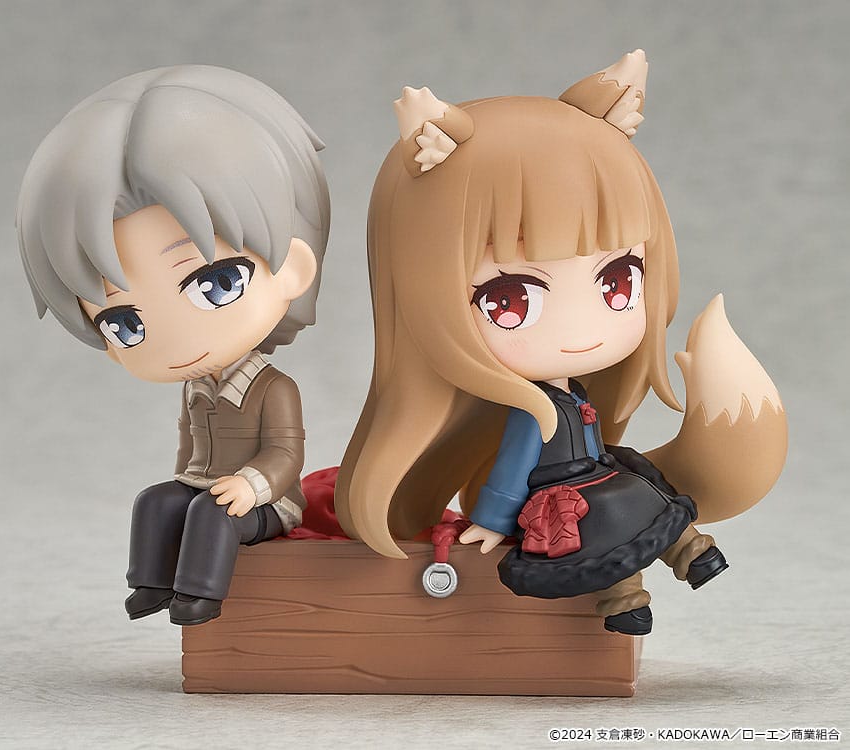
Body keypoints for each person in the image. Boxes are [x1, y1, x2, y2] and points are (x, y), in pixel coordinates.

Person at [335, 51, 786, 635]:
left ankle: (688, 550)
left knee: (641, 505)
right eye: (511, 299)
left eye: (618, 281)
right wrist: (494, 519)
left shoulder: (570, 392)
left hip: (598, 474)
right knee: (606, 541)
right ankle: (632, 595)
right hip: (567, 495)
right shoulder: (534, 411)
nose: (581, 331)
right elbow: (512, 467)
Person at [17, 65, 330, 626]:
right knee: (157, 500)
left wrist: (251, 485)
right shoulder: (194, 388)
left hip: (266, 502)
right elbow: (189, 447)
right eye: (122, 322)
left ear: (293, 267)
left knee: (211, 515)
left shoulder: (272, 388)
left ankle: (200, 596)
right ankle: (151, 582)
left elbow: (286, 457)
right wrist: (188, 479)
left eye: (216, 284)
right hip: (206, 488)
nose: (178, 338)